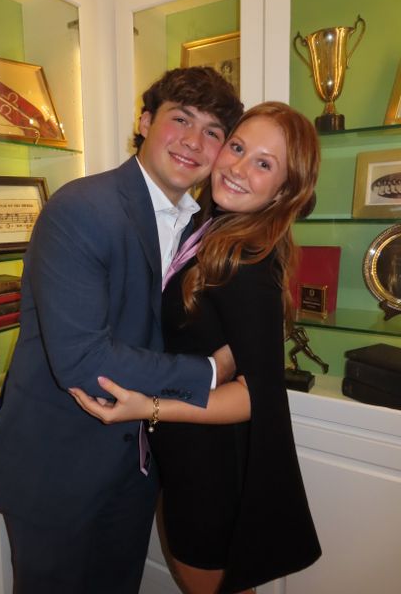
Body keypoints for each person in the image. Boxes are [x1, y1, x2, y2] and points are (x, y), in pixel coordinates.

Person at [0, 66, 244, 594]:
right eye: (181, 119)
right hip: (58, 468)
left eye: (212, 131)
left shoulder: (200, 226)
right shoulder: (82, 208)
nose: (194, 141)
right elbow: (84, 362)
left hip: (135, 468)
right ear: (145, 122)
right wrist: (211, 371)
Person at [70, 101, 323, 594]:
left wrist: (150, 407)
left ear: (284, 190)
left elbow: (257, 396)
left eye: (264, 164)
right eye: (238, 147)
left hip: (211, 468)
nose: (238, 168)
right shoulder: (212, 230)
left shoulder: (247, 262)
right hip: (187, 453)